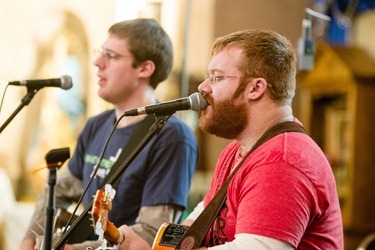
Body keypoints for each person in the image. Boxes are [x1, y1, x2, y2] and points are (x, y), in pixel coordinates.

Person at [116, 29, 344, 249]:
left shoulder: (282, 160)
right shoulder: (239, 150)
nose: (203, 87)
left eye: (216, 77)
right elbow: (201, 219)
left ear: (255, 88)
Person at [19, 18, 198, 250]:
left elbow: (151, 233)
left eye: (111, 56)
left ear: (144, 68)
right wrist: (31, 238)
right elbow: (57, 192)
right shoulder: (96, 125)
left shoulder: (172, 136)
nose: (97, 62)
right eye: (100, 53)